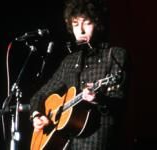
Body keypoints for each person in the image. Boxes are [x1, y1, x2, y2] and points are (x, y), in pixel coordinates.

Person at [29, 0, 129, 149]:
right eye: (75, 24)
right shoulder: (70, 61)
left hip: (99, 141)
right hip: (68, 143)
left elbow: (119, 104)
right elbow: (39, 95)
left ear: (98, 23)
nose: (80, 31)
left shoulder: (115, 55)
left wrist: (99, 99)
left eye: (87, 23)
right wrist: (37, 115)